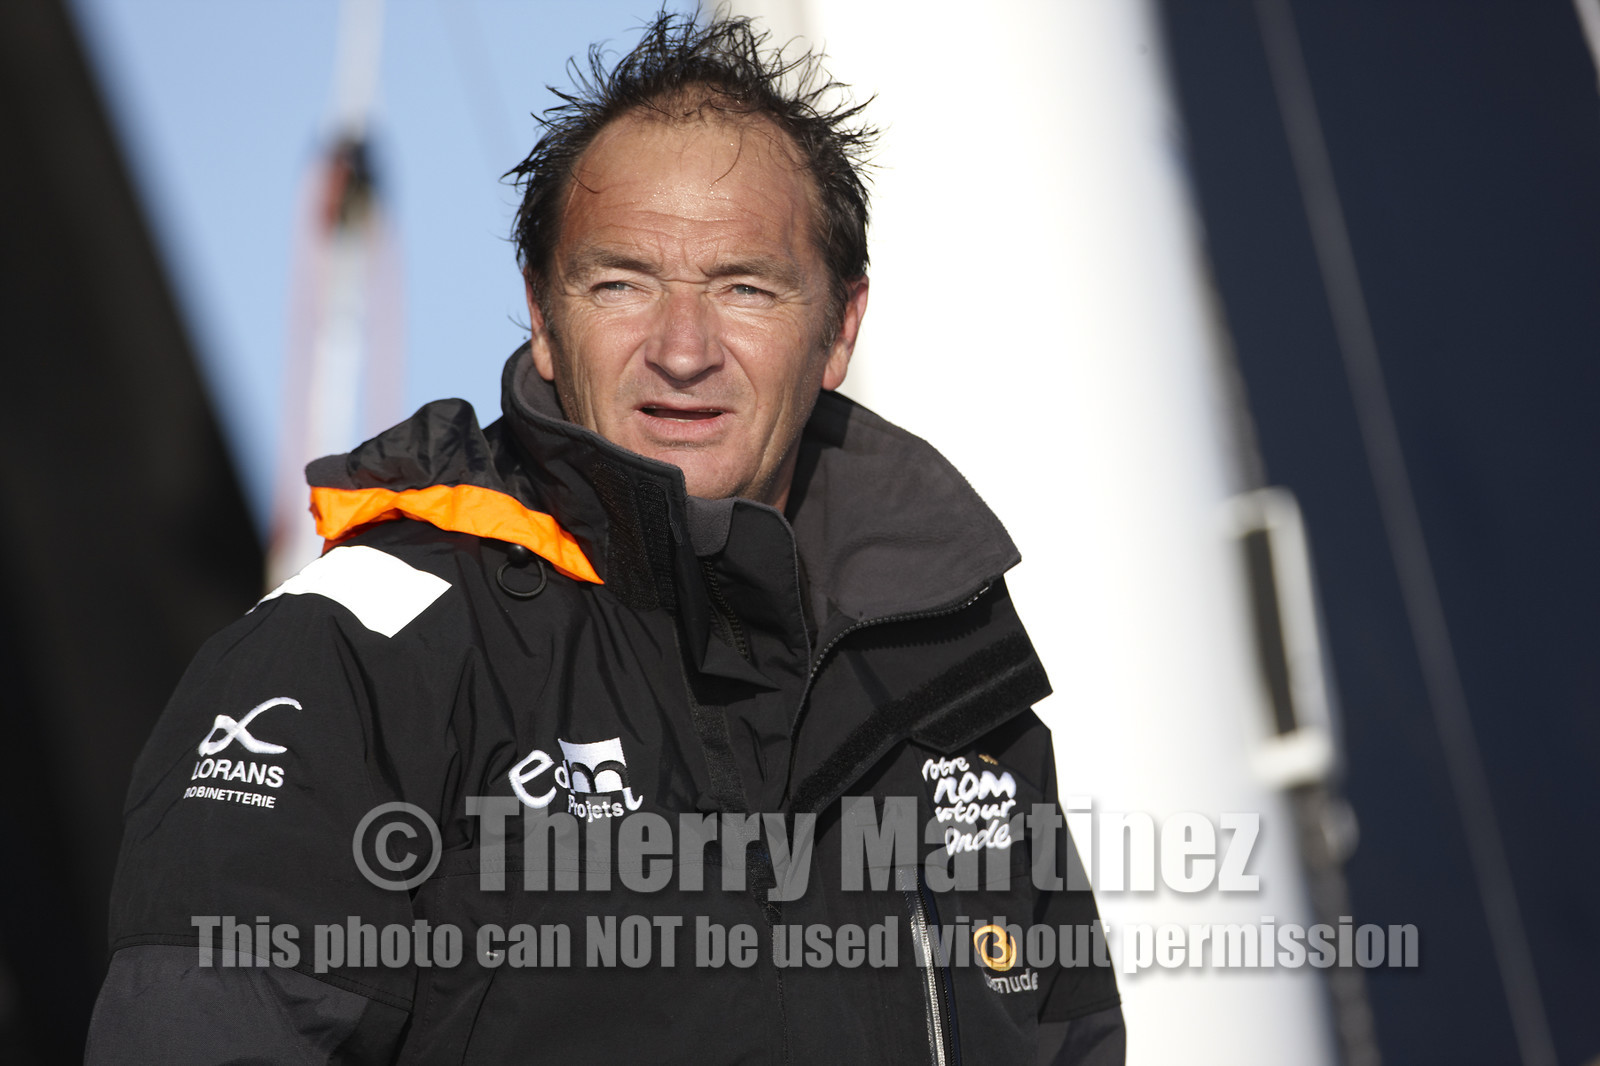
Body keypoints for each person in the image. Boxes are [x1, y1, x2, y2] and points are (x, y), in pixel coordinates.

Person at [88, 13, 1123, 1064]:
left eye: (744, 287)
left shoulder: (947, 679)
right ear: (541, 313)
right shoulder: (351, 657)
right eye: (622, 281)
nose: (682, 349)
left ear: (839, 328)